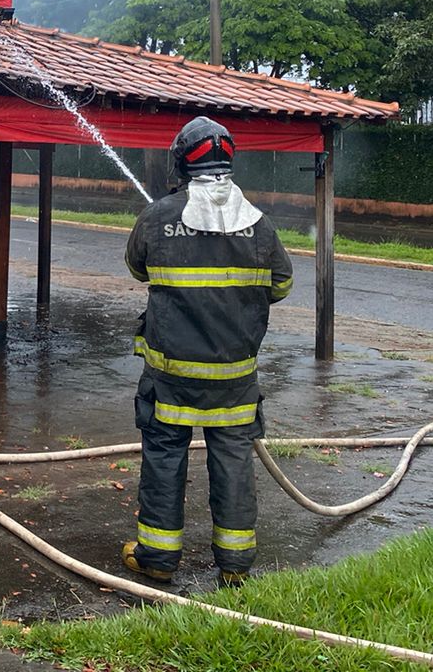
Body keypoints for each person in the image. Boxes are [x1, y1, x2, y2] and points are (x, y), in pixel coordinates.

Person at [120, 117, 293, 588]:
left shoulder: (157, 218)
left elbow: (137, 268)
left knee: (164, 454)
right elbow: (282, 285)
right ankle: (235, 567)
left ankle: (157, 557)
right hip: (234, 378)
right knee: (233, 459)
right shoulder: (259, 226)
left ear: (181, 160)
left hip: (170, 377)